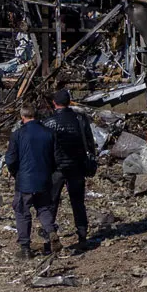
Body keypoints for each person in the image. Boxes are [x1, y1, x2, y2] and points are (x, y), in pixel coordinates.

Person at [3, 99, 60, 259]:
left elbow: (11, 159)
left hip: (25, 180)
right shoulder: (49, 133)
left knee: (22, 211)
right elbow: (56, 158)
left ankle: (25, 248)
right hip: (44, 178)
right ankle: (51, 231)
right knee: (43, 208)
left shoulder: (18, 134)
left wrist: (16, 173)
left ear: (22, 117)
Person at [46, 87, 98, 251]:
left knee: (51, 202)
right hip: (77, 166)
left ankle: (50, 234)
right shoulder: (80, 119)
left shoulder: (49, 122)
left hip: (57, 168)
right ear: (69, 102)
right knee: (78, 203)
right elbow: (90, 143)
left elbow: (45, 147)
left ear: (54, 103)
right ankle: (82, 236)